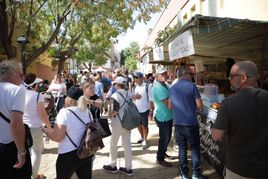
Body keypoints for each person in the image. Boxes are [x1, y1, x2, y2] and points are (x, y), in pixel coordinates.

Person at [211, 61, 268, 179]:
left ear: (243, 78)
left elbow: (216, 136)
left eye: (231, 77)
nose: (229, 80)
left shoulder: (228, 103)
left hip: (238, 169)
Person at [42, 86, 95, 179]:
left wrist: (46, 131)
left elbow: (58, 137)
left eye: (66, 97)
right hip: (85, 152)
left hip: (68, 155)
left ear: (69, 100)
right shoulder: (87, 112)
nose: (64, 99)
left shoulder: (64, 112)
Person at [169, 66, 208, 179]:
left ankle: (184, 174)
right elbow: (199, 106)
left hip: (178, 123)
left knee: (182, 148)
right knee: (195, 148)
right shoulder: (192, 86)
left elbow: (170, 106)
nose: (191, 76)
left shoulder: (172, 88)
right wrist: (191, 108)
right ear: (185, 74)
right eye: (190, 74)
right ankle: (196, 174)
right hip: (190, 123)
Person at [0, 60, 32, 179]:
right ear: (11, 74)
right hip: (11, 147)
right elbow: (16, 123)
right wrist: (21, 151)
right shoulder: (17, 90)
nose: (23, 78)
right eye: (20, 74)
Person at [23, 73, 52, 179]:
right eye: (38, 84)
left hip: (22, 127)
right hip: (35, 127)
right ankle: (34, 176)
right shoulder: (38, 96)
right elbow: (42, 114)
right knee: (36, 152)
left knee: (23, 152)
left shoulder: (20, 93)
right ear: (34, 85)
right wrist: (49, 127)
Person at [103, 76, 133, 176]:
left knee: (113, 144)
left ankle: (112, 165)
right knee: (127, 145)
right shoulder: (128, 94)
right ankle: (128, 168)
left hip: (117, 123)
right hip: (127, 123)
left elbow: (114, 111)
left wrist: (108, 115)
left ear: (116, 84)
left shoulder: (115, 95)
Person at [151, 67, 173, 168]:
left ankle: (163, 152)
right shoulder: (159, 87)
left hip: (167, 116)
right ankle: (159, 159)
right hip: (162, 116)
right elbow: (169, 105)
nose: (164, 76)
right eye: (161, 74)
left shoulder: (164, 85)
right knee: (164, 138)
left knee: (167, 137)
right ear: (156, 76)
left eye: (164, 74)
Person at [132, 71, 152, 149]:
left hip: (145, 109)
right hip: (136, 109)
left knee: (144, 125)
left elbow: (150, 98)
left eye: (136, 77)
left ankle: (145, 139)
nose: (135, 79)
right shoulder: (134, 87)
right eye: (134, 78)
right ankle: (142, 136)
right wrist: (134, 97)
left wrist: (151, 110)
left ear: (141, 78)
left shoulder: (147, 86)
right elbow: (132, 97)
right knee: (138, 125)